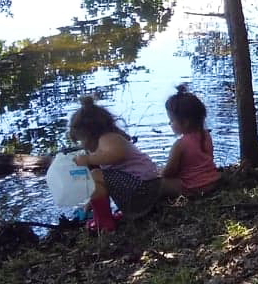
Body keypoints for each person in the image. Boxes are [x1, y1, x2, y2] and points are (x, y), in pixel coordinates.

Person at [69, 95, 162, 232]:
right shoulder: (107, 141)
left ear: (90, 133)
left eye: (81, 140)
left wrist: (88, 159)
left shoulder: (108, 139)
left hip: (144, 190)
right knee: (95, 176)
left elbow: (116, 155)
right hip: (143, 189)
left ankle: (104, 224)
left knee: (95, 175)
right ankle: (104, 216)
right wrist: (92, 203)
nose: (83, 146)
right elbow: (103, 184)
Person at [159, 84, 222, 198]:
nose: (170, 124)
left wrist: (159, 172)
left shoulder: (180, 145)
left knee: (157, 184)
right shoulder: (206, 135)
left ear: (185, 122)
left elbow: (169, 172)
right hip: (213, 182)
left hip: (192, 187)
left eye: (171, 120)